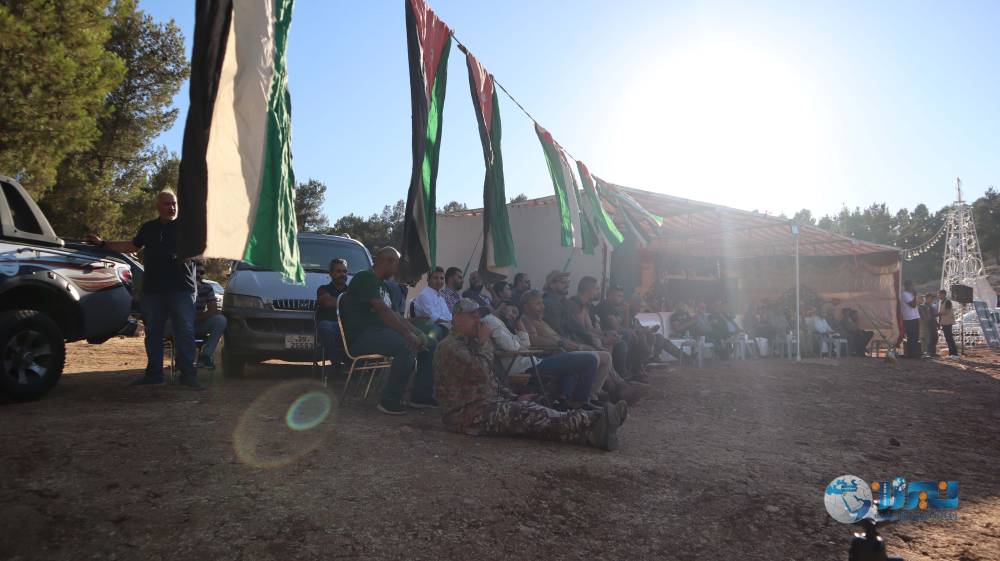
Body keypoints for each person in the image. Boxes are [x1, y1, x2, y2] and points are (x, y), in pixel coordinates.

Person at [433, 298, 626, 451]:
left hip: (484, 405)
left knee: (536, 412)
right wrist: (484, 343)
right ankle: (595, 420)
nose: (479, 321)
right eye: (473, 316)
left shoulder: (472, 344)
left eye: (479, 316)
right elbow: (481, 373)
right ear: (456, 318)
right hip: (465, 415)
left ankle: (593, 432)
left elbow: (491, 381)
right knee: (528, 414)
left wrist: (514, 397)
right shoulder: (450, 347)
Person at [85, 190, 202, 389]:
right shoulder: (148, 228)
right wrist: (103, 244)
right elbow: (132, 246)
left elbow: (200, 249)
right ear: (157, 206)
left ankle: (188, 375)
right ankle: (154, 375)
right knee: (153, 332)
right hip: (153, 289)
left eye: (174, 203)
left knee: (184, 331)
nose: (171, 207)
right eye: (167, 203)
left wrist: (188, 254)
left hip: (181, 288)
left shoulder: (186, 227)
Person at [340, 247, 437, 415]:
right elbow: (382, 310)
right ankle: (389, 400)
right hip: (362, 336)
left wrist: (416, 331)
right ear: (389, 261)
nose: (397, 270)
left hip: (380, 334)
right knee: (406, 345)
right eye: (397, 265)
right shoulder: (365, 278)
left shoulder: (383, 285)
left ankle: (420, 396)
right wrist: (406, 333)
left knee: (430, 342)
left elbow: (395, 315)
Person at [486, 302, 597, 411]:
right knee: (590, 359)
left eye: (516, 313)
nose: (513, 315)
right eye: (512, 311)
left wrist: (518, 321)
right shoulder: (491, 321)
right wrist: (520, 344)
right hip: (524, 366)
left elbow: (526, 344)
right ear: (503, 306)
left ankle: (564, 401)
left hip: (532, 362)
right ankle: (579, 403)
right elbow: (511, 347)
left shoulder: (501, 322)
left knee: (572, 365)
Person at [193, 264, 227, 369]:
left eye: (201, 272)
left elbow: (213, 310)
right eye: (196, 272)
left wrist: (198, 317)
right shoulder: (181, 287)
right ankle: (181, 359)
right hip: (182, 324)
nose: (198, 275)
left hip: (198, 322)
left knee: (220, 320)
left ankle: (206, 355)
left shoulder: (206, 288)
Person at [315, 258, 349, 360]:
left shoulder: (351, 291)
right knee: (325, 326)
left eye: (344, 271)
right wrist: (351, 302)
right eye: (338, 271)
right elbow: (327, 302)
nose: (342, 274)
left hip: (348, 328)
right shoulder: (323, 289)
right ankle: (336, 364)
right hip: (331, 328)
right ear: (330, 273)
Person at [900, 280, 921, 358]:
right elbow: (913, 305)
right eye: (912, 285)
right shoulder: (904, 294)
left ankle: (913, 354)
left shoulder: (910, 294)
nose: (913, 287)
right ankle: (911, 354)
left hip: (914, 318)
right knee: (912, 336)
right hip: (909, 319)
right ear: (908, 286)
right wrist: (915, 296)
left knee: (915, 336)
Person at [937, 289, 958, 358]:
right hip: (944, 323)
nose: (939, 296)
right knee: (948, 339)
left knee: (949, 338)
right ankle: (951, 353)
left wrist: (938, 314)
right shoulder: (942, 302)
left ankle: (954, 354)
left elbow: (947, 312)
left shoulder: (947, 302)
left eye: (940, 294)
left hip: (948, 322)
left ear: (943, 294)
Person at [923, 293, 939, 357]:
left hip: (933, 323)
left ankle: (933, 352)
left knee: (935, 338)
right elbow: (927, 316)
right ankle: (929, 352)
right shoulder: (924, 306)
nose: (932, 299)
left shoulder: (932, 306)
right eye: (931, 298)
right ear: (927, 298)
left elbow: (934, 315)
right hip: (928, 323)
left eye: (932, 298)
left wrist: (936, 323)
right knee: (930, 338)